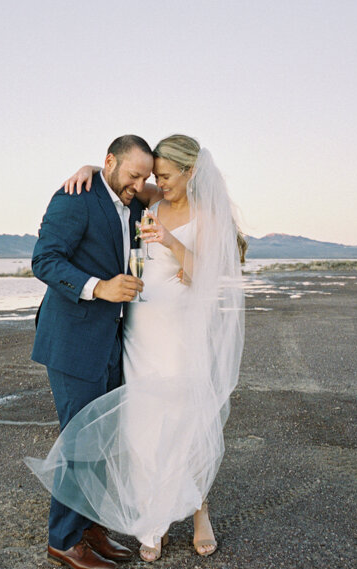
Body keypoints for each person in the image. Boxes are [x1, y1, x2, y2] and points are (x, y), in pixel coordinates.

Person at [26, 135, 245, 563]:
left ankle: (119, 525)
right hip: (110, 335)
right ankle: (92, 535)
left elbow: (209, 270)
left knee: (156, 428)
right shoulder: (100, 195)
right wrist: (90, 169)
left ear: (188, 173)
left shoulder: (163, 206)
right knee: (109, 434)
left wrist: (168, 240)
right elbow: (48, 255)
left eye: (157, 176)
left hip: (156, 333)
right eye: (144, 176)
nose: (149, 183)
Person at [30, 135, 152, 569]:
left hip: (113, 340)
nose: (138, 184)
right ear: (109, 162)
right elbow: (44, 260)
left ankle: (89, 526)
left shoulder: (135, 203)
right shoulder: (74, 197)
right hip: (73, 339)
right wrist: (99, 288)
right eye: (132, 174)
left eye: (144, 177)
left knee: (102, 439)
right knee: (80, 442)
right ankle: (63, 540)